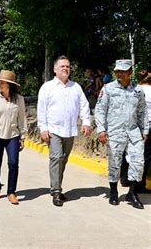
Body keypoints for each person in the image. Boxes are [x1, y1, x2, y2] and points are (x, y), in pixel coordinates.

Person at [37, 55, 91, 207]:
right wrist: (43, 128)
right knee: (56, 158)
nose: (66, 68)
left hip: (70, 130)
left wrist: (86, 122)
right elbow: (42, 109)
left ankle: (56, 187)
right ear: (55, 69)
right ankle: (56, 191)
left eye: (67, 66)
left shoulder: (76, 87)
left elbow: (84, 106)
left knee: (63, 160)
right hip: (53, 130)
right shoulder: (47, 87)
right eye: (62, 66)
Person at [95, 60, 148, 209]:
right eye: (117, 71)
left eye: (123, 71)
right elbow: (100, 110)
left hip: (133, 132)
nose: (119, 74)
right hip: (114, 131)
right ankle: (113, 192)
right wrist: (101, 130)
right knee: (114, 163)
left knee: (138, 162)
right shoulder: (108, 89)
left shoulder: (138, 90)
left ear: (130, 72)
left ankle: (132, 192)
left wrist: (145, 130)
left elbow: (142, 112)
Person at [0, 70, 27, 205]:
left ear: (9, 84)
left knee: (13, 163)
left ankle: (11, 192)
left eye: (2, 82)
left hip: (13, 135)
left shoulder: (19, 99)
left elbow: (22, 118)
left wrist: (23, 136)